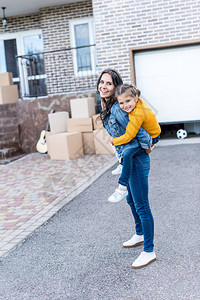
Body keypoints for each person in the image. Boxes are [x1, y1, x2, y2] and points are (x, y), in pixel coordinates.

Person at [97, 68, 156, 269]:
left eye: (108, 83)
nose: (103, 86)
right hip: (129, 159)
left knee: (142, 205)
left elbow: (140, 134)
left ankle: (149, 250)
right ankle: (140, 234)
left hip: (138, 160)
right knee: (131, 200)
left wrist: (149, 145)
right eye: (101, 82)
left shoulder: (118, 109)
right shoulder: (107, 106)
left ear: (115, 88)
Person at [108, 83, 161, 203]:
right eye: (121, 103)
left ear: (136, 97)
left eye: (128, 101)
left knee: (128, 154)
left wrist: (114, 141)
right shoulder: (137, 103)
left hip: (152, 137)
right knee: (127, 152)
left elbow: (129, 135)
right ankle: (122, 164)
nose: (125, 105)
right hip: (148, 133)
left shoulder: (137, 114)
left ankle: (122, 188)